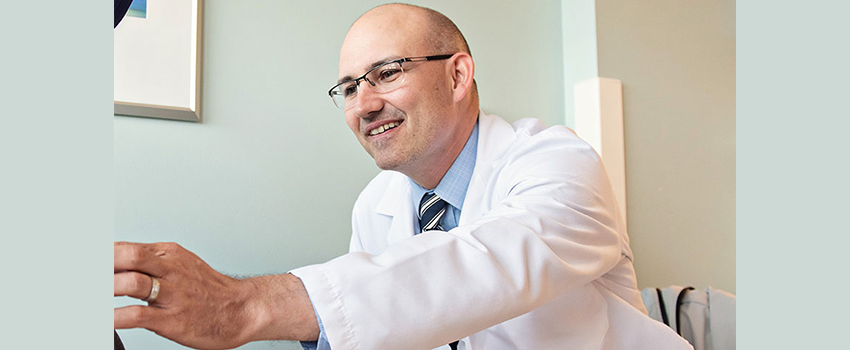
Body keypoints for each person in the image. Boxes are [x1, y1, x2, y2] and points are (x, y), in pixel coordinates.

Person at [114, 4, 692, 350]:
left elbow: (486, 264)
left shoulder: (557, 162)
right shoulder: (376, 205)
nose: (363, 105)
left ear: (459, 74)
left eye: (385, 73)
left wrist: (247, 305)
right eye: (347, 88)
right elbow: (387, 324)